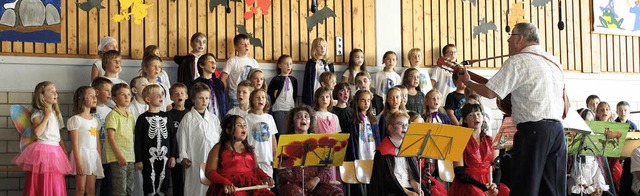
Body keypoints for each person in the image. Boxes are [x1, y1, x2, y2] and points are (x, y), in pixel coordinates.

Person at [459, 22, 566, 195]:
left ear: (521, 39)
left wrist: (468, 82)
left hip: (534, 131)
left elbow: (490, 92)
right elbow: (564, 102)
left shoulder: (517, 61)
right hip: (557, 131)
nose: (508, 41)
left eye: (511, 36)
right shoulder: (554, 61)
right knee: (552, 189)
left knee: (526, 186)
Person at [13, 81, 72, 195]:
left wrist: (64, 151)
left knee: (56, 183)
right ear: (42, 95)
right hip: (43, 150)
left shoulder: (56, 113)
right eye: (52, 91)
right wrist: (46, 116)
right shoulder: (38, 112)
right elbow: (37, 133)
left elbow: (58, 136)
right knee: (43, 181)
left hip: (56, 151)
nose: (56, 94)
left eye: (56, 91)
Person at [278, 105, 344, 196]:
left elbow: (326, 168)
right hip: (293, 185)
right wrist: (304, 180)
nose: (303, 118)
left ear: (310, 122)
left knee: (337, 192)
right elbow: (283, 172)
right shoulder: (286, 142)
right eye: (299, 116)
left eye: (306, 116)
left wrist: (316, 179)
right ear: (293, 122)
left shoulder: (318, 141)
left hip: (315, 184)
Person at [204, 115, 275, 196]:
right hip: (228, 188)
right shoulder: (219, 148)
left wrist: (265, 177)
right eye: (238, 125)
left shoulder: (249, 149)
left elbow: (256, 169)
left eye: (244, 125)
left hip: (251, 187)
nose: (243, 127)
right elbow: (209, 172)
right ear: (228, 130)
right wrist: (225, 182)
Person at [449, 103, 508, 196]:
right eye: (471, 115)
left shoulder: (491, 140)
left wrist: (495, 186)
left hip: (489, 181)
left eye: (478, 114)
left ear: (482, 117)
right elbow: (459, 173)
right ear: (465, 120)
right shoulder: (459, 140)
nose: (476, 117)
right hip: (469, 183)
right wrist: (482, 187)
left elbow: (497, 168)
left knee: (507, 192)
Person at [177, 83, 222, 196]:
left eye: (207, 98)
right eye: (201, 98)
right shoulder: (188, 118)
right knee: (195, 187)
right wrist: (183, 157)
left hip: (213, 160)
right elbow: (181, 138)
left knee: (212, 186)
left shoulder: (213, 118)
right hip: (195, 160)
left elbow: (220, 138)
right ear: (193, 99)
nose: (204, 101)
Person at [134, 84, 178, 195]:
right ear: (148, 99)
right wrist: (138, 159)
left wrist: (173, 156)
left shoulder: (167, 117)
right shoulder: (142, 118)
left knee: (165, 182)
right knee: (148, 181)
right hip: (148, 157)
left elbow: (173, 137)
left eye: (162, 94)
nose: (161, 96)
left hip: (165, 156)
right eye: (157, 94)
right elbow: (138, 140)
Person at [368, 111, 426, 196]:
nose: (404, 127)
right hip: (392, 191)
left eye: (406, 125)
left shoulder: (409, 148)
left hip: (409, 188)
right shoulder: (383, 152)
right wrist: (408, 193)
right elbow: (388, 182)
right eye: (400, 124)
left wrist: (417, 187)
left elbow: (412, 178)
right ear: (390, 128)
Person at [69, 86, 104, 196]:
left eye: (95, 96)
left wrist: (99, 160)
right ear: (81, 98)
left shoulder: (95, 121)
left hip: (93, 156)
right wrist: (78, 163)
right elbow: (75, 143)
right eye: (91, 96)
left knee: (91, 190)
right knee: (80, 189)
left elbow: (98, 143)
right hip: (81, 155)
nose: (95, 98)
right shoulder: (76, 120)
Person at [105, 83, 136, 195]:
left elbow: (131, 137)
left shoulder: (130, 115)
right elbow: (111, 138)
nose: (127, 97)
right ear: (114, 98)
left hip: (130, 157)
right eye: (123, 95)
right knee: (120, 189)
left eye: (128, 94)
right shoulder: (113, 115)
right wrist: (119, 155)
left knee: (129, 189)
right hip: (118, 157)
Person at [244, 89, 278, 178]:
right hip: (252, 160)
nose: (260, 100)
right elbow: (244, 139)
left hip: (267, 159)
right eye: (257, 97)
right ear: (252, 100)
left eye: (263, 97)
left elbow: (273, 138)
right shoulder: (247, 118)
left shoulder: (269, 118)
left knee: (267, 187)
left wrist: (275, 155)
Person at [221, 34, 260, 107]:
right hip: (236, 98)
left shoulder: (254, 62)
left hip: (251, 98)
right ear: (236, 47)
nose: (246, 46)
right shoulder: (232, 61)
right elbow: (223, 79)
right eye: (242, 44)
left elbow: (259, 78)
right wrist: (227, 93)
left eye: (248, 44)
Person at [91, 77, 114, 195]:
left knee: (107, 186)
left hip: (108, 154)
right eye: (107, 90)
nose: (110, 94)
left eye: (111, 91)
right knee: (94, 187)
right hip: (93, 153)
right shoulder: (90, 111)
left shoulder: (110, 111)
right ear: (96, 91)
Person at [166, 83, 189, 196]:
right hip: (175, 155)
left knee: (189, 183)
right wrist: (172, 155)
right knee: (177, 183)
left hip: (189, 154)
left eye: (182, 93)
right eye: (176, 93)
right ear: (171, 98)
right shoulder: (168, 115)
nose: (179, 95)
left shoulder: (190, 114)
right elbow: (168, 137)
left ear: (186, 96)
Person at [345, 90, 380, 162]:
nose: (366, 103)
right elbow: (352, 143)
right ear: (357, 102)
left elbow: (377, 139)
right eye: (363, 100)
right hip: (360, 155)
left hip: (372, 154)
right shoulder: (353, 121)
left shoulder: (373, 120)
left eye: (368, 100)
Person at [268, 55, 298, 134]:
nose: (289, 66)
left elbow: (294, 95)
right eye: (286, 64)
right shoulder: (276, 79)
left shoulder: (294, 80)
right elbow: (270, 93)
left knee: (290, 130)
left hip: (290, 108)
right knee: (281, 131)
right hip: (279, 108)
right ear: (279, 65)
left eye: (290, 64)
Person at [193, 53, 229, 119]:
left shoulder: (219, 83)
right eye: (210, 61)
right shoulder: (196, 83)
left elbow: (225, 102)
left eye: (215, 62)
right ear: (201, 65)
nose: (213, 63)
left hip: (219, 119)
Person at [303, 37, 335, 106]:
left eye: (324, 46)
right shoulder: (311, 63)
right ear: (314, 49)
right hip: (315, 93)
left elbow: (333, 80)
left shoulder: (329, 63)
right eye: (319, 46)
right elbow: (307, 82)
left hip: (328, 94)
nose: (322, 48)